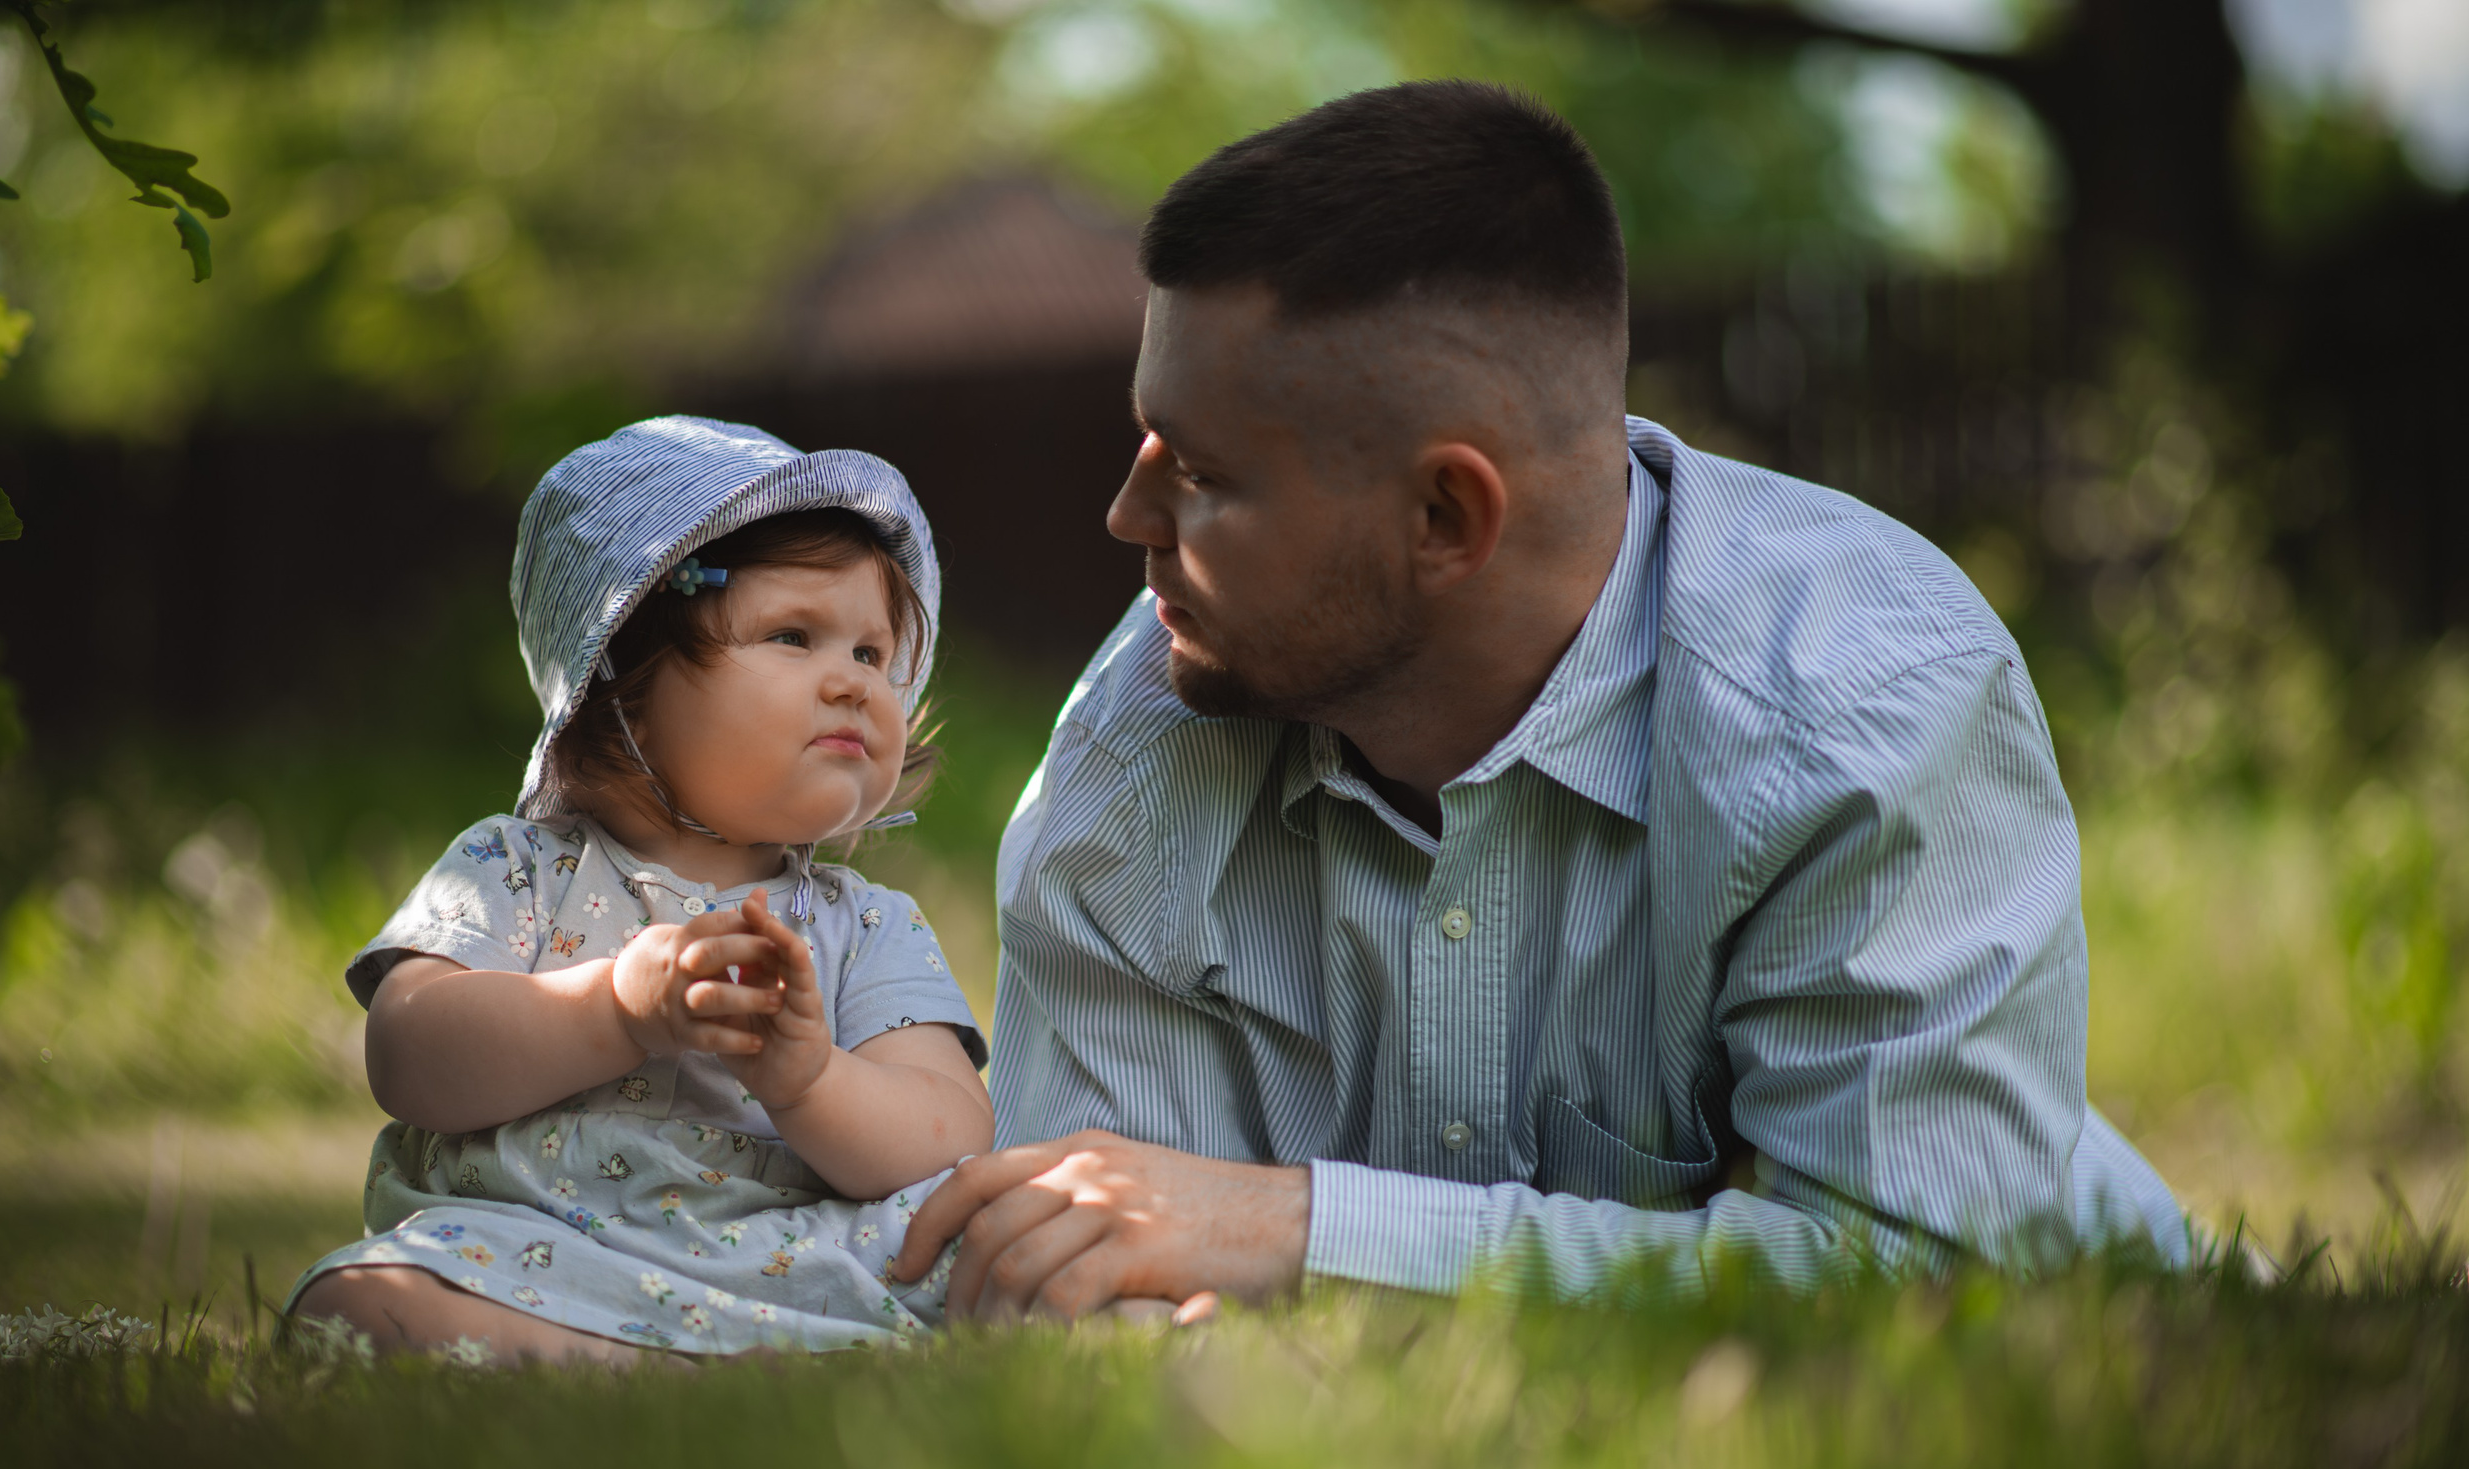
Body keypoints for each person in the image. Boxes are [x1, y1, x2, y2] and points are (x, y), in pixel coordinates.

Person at [892, 80, 2190, 1321]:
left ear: (1448, 513)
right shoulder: (1141, 741)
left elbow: (1923, 1278)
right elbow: (1074, 1254)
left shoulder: (1858, 702)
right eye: (1146, 441)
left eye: (1206, 475)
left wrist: (1295, 1229)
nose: (1127, 514)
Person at [289, 418, 993, 1362]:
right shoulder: (519, 870)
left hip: (802, 1261)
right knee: (357, 1298)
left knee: (1017, 1229)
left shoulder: (866, 924)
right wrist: (618, 1006)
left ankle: (711, 1358)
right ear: (624, 680)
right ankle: (683, 1363)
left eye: (872, 654)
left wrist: (812, 1080)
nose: (854, 684)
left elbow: (947, 1132)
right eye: (795, 635)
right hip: (550, 1255)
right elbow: (409, 1055)